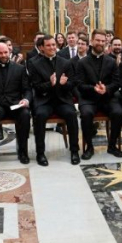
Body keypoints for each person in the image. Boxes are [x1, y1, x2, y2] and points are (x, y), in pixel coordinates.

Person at [28, 35, 80, 165]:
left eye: (53, 44)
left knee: (71, 114)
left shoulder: (65, 62)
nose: (52, 47)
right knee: (39, 116)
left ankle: (74, 151)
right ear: (42, 48)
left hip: (62, 100)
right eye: (48, 45)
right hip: (44, 100)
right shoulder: (34, 64)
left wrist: (63, 84)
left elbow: (72, 83)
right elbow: (36, 87)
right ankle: (40, 153)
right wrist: (50, 84)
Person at [75, 29, 122, 160]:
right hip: (89, 98)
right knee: (85, 114)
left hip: (108, 98)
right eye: (98, 40)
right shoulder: (82, 62)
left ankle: (112, 146)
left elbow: (117, 82)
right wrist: (93, 89)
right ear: (91, 41)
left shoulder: (111, 61)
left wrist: (106, 89)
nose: (100, 43)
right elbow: (79, 84)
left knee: (118, 112)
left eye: (103, 41)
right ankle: (89, 147)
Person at [0, 43, 31, 166]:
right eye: (0, 53)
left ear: (9, 52)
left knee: (25, 114)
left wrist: (25, 99)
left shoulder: (19, 69)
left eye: (5, 52)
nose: (4, 55)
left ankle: (22, 151)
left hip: (15, 104)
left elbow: (27, 89)